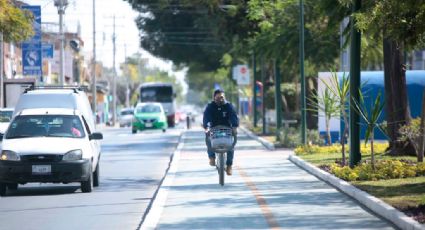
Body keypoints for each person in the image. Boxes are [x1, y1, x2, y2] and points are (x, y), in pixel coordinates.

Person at [203, 89, 239, 175]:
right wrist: (207, 127)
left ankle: (229, 165)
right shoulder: (210, 106)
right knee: (208, 139)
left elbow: (233, 116)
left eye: (222, 97)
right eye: (218, 97)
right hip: (214, 129)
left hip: (227, 129)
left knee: (230, 146)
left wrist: (234, 126)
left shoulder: (228, 106)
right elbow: (206, 118)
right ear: (214, 98)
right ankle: (211, 157)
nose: (220, 99)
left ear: (224, 97)